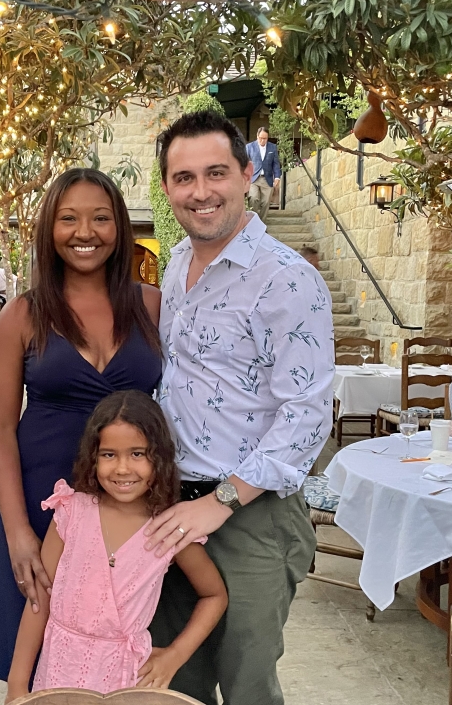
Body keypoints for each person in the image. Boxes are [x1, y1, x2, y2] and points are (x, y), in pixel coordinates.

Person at [145, 110, 334, 705]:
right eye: (184, 177)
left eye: (216, 173)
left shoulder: (287, 278)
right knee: (173, 681)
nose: (201, 191)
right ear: (167, 186)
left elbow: (307, 415)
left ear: (247, 173)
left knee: (248, 685)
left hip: (251, 515)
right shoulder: (178, 263)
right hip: (170, 507)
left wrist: (221, 501)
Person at [0, 168, 163, 682]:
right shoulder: (23, 315)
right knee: (34, 651)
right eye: (68, 219)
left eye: (100, 218)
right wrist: (17, 530)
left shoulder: (152, 305)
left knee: (116, 648)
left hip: (129, 498)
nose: (85, 232)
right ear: (50, 228)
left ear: (120, 226)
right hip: (42, 499)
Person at [6, 390, 227, 702]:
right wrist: (17, 683)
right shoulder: (71, 511)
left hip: (125, 680)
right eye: (109, 455)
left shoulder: (169, 529)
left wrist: (175, 655)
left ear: (159, 457)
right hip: (58, 673)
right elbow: (39, 596)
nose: (123, 468)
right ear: (93, 457)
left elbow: (214, 595)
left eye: (137, 454)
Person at [246, 126, 281, 222]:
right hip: (253, 179)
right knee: (253, 198)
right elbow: (244, 164)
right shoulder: (249, 147)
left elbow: (276, 163)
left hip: (267, 179)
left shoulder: (272, 147)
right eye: (261, 138)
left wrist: (277, 177)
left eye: (265, 138)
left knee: (265, 203)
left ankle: (261, 223)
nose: (262, 140)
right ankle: (253, 222)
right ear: (257, 136)